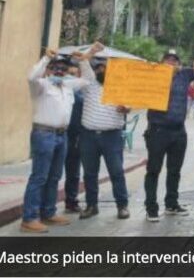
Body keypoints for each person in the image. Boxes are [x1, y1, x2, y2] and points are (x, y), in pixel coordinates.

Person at [21, 49, 89, 233]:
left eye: (63, 68)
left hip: (62, 135)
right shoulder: (41, 85)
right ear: (49, 70)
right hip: (44, 134)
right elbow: (31, 77)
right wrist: (46, 59)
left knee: (54, 177)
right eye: (55, 68)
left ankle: (48, 213)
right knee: (39, 177)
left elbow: (87, 80)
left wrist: (83, 61)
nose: (59, 71)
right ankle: (29, 218)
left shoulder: (68, 86)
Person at [144, 34, 194, 222]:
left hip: (179, 131)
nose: (172, 63)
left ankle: (171, 204)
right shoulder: (152, 76)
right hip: (157, 130)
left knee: (175, 170)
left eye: (175, 61)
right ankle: (151, 207)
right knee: (153, 170)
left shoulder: (184, 75)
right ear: (161, 62)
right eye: (168, 60)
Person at [76, 44, 131, 220]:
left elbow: (129, 106)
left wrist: (125, 109)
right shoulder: (90, 83)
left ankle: (122, 206)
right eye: (100, 67)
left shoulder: (122, 87)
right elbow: (83, 61)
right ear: (97, 69)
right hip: (88, 136)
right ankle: (91, 206)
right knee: (90, 173)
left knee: (116, 171)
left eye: (106, 67)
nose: (103, 70)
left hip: (111, 137)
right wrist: (92, 51)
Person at [64, 62, 84, 214]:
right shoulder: (60, 87)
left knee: (73, 171)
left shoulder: (82, 92)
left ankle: (71, 201)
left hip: (76, 135)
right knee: (51, 172)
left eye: (74, 73)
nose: (71, 76)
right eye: (68, 73)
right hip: (59, 133)